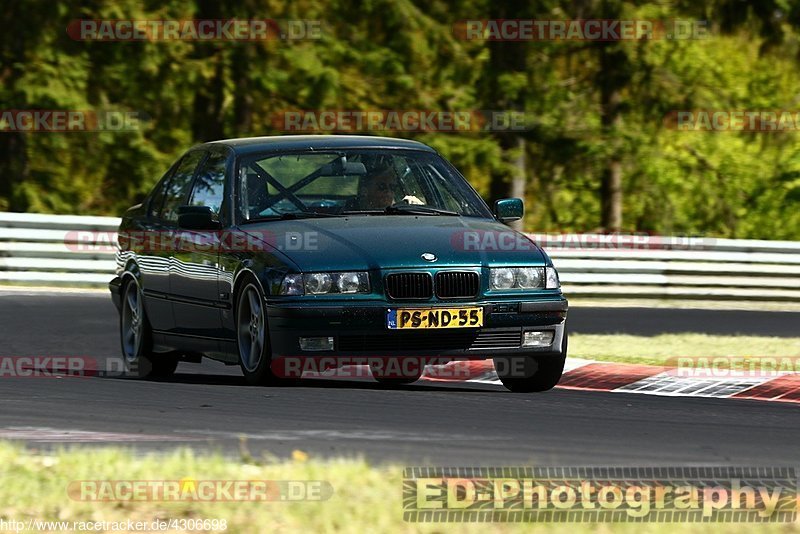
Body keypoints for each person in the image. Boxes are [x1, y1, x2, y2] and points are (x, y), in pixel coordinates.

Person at [357, 164, 424, 209]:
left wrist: (416, 207)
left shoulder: (402, 210)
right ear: (364, 191)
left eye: (393, 187)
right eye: (382, 187)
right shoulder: (351, 213)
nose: (388, 192)